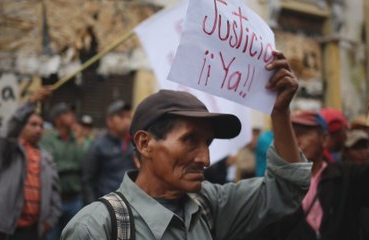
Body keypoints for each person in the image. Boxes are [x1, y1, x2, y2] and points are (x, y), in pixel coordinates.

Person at [61, 51, 312, 240]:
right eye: (190, 141)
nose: (204, 159)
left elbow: (285, 188)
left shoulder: (208, 204)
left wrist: (279, 113)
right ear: (145, 143)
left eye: (208, 143)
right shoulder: (96, 228)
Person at [262, 84, 369, 240]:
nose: (295, 142)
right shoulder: (275, 188)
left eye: (302, 134)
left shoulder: (346, 177)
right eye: (290, 135)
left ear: (324, 139)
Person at [0, 87, 61, 240]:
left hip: (33, 230)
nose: (38, 129)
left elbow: (55, 195)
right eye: (33, 124)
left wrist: (49, 221)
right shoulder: (10, 151)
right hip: (5, 227)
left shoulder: (46, 159)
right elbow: (10, 129)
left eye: (41, 126)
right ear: (22, 126)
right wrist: (30, 103)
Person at [41, 101, 86, 240]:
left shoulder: (75, 138)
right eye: (67, 113)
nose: (72, 116)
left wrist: (80, 140)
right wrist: (72, 167)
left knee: (73, 236)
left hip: (74, 199)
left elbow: (83, 164)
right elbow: (51, 166)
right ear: (57, 119)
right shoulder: (47, 139)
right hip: (53, 201)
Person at [82, 99, 136, 204]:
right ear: (109, 121)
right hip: (105, 206)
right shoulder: (98, 145)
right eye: (121, 117)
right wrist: (92, 206)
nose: (127, 121)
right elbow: (87, 180)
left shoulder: (134, 144)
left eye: (128, 117)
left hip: (130, 204)